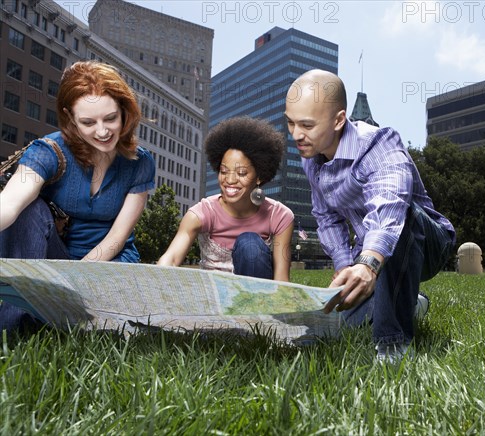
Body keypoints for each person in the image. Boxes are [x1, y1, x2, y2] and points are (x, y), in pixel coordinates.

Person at [284, 70, 455, 363]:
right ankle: (411, 303)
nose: (296, 134)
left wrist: (368, 264)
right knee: (328, 325)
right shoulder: (311, 160)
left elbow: (390, 204)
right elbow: (326, 217)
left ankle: (393, 345)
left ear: (338, 120)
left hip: (425, 242)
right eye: (290, 122)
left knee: (401, 217)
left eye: (307, 125)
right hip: (369, 253)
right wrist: (344, 267)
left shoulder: (379, 143)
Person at [0, 60, 155, 332]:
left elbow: (117, 238)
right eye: (87, 122)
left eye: (110, 118)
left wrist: (75, 280)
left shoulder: (140, 163)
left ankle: (60, 315)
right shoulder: (46, 151)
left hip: (109, 265)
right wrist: (61, 280)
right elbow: (10, 203)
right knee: (29, 210)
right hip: (55, 260)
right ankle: (14, 325)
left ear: (124, 112)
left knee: (108, 327)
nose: (103, 132)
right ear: (70, 118)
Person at [158, 116, 294, 281]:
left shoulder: (280, 216)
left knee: (249, 243)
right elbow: (171, 259)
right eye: (224, 171)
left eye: (241, 173)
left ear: (259, 176)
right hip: (213, 298)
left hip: (257, 299)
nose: (229, 180)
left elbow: (281, 280)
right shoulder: (201, 213)